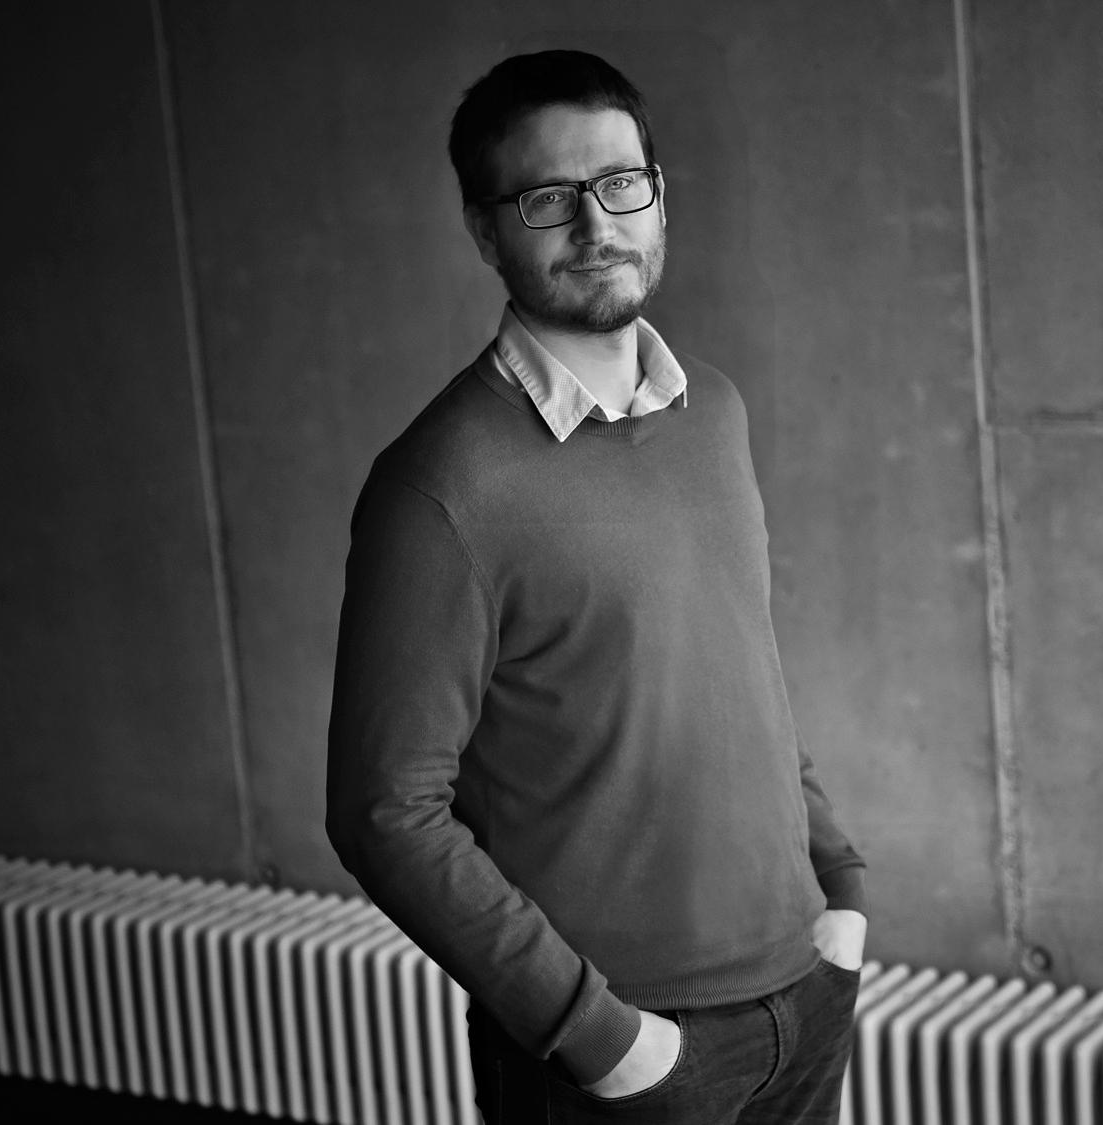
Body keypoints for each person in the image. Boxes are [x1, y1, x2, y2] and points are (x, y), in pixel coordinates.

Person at [325, 49, 868, 1124]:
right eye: (547, 197)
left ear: (658, 194)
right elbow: (386, 810)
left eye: (620, 183)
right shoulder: (439, 487)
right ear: (486, 231)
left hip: (803, 996)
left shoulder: (713, 413)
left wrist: (839, 887)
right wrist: (601, 1039)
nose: (595, 224)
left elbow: (740, 674)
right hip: (622, 1057)